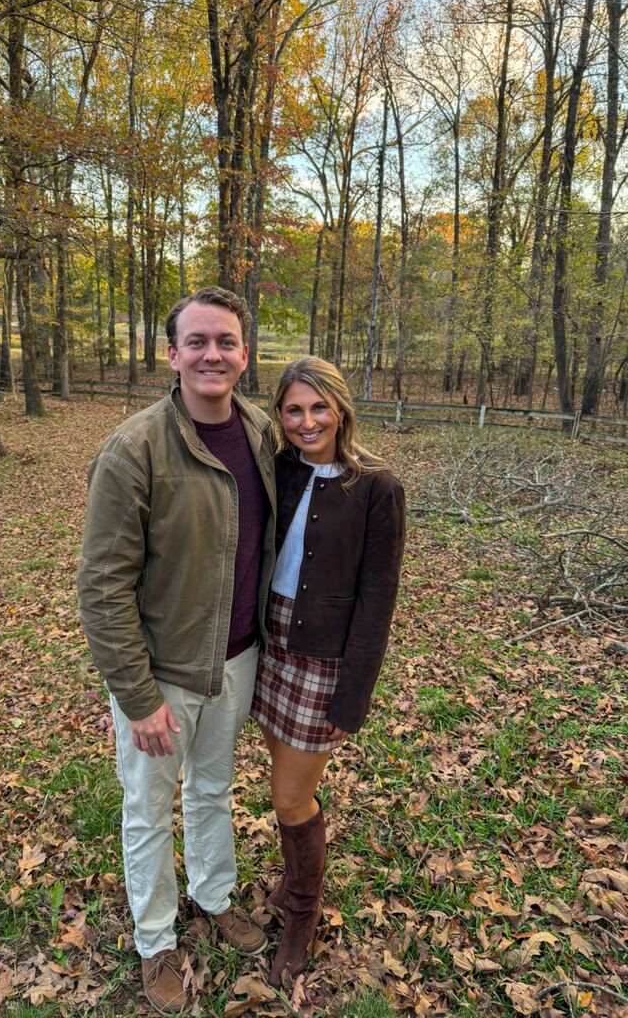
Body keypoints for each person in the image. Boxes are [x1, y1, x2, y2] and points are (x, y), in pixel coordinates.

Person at [77, 287, 276, 1015]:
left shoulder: (260, 434)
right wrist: (138, 695)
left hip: (237, 660)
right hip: (161, 674)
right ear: (172, 354)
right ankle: (157, 939)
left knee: (214, 790)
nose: (211, 354)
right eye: (197, 342)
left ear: (244, 356)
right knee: (148, 807)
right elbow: (101, 587)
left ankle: (214, 895)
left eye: (225, 341)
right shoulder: (135, 450)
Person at [250, 356, 405, 989]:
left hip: (324, 657)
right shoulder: (276, 470)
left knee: (289, 795)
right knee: (281, 777)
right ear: (280, 417)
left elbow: (378, 597)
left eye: (319, 407)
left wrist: (353, 698)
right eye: (293, 409)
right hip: (268, 643)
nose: (307, 421)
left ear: (340, 409)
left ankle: (302, 913)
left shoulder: (375, 487)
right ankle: (295, 875)